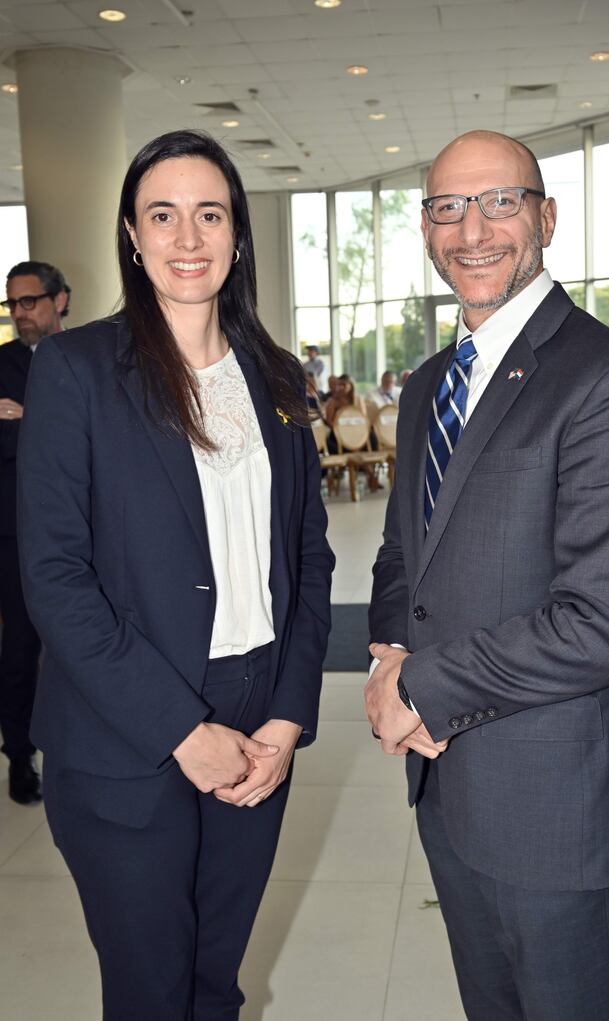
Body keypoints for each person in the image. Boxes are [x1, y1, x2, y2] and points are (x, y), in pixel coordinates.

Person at [366, 130, 609, 1021]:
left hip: (557, 809)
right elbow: (404, 552)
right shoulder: (431, 382)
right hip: (450, 789)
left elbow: (605, 621)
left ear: (546, 216)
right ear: (426, 229)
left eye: (499, 201)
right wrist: (390, 644)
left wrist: (420, 685)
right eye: (446, 208)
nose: (473, 230)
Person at [17, 129, 334, 1019]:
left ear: (237, 235)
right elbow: (54, 576)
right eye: (164, 215)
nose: (188, 238)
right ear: (130, 233)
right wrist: (180, 729)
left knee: (215, 981)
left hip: (257, 714)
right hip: (128, 731)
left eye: (210, 214)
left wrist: (288, 711)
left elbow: (309, 554)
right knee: (153, 990)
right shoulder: (77, 371)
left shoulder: (277, 376)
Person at [0, 260, 71, 804]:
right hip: (15, 536)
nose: (21, 313)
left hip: (86, 531)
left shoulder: (92, 357)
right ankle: (20, 757)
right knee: (21, 650)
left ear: (60, 300)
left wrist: (28, 421)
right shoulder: (0, 363)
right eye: (13, 304)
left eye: (30, 301)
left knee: (83, 646)